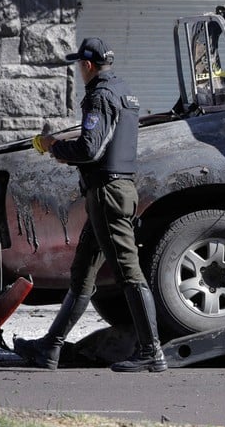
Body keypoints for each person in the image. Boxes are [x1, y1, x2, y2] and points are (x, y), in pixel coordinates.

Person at [14, 37, 166, 373]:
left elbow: (90, 150)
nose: (78, 71)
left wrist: (55, 148)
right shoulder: (123, 91)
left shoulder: (99, 96)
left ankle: (151, 352)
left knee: (128, 271)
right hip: (115, 190)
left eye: (78, 66)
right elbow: (103, 142)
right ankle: (50, 348)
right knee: (82, 272)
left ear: (87, 65)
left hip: (107, 194)